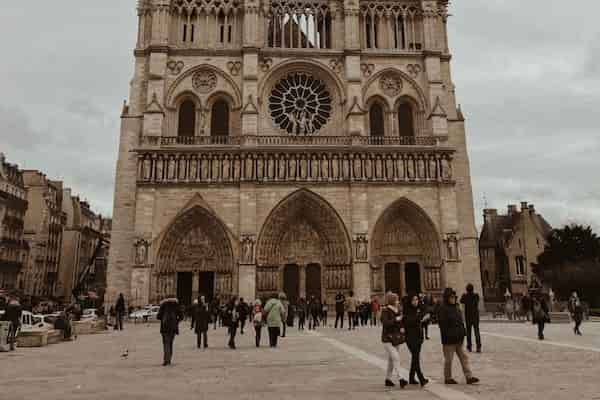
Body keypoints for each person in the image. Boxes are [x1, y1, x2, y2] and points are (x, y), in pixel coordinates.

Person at [438, 288, 479, 385]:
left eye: (454, 297)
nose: (453, 299)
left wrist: (463, 332)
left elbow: (460, 322)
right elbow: (442, 325)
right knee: (448, 360)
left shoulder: (456, 307)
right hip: (449, 340)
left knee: (464, 357)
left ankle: (469, 377)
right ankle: (448, 378)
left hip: (459, 338)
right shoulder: (443, 309)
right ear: (447, 298)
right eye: (451, 297)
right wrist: (448, 335)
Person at [380, 292, 408, 388]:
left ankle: (388, 379)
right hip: (387, 339)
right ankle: (401, 378)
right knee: (396, 357)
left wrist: (402, 327)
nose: (398, 301)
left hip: (396, 338)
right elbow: (385, 323)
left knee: (391, 360)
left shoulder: (398, 310)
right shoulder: (385, 311)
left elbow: (400, 323)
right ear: (392, 301)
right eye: (396, 299)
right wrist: (396, 319)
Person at [403, 293, 429, 387]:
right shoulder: (407, 310)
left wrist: (422, 316)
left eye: (417, 300)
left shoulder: (418, 310)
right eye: (413, 300)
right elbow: (410, 321)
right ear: (410, 301)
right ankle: (421, 378)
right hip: (410, 338)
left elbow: (426, 310)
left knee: (415, 358)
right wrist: (421, 318)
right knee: (415, 358)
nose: (415, 302)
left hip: (419, 337)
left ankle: (411, 378)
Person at [157, 296, 183, 366]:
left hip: (165, 327)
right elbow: (181, 316)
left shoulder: (163, 305)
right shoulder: (176, 305)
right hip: (173, 327)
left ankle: (166, 360)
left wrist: (162, 318)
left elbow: (158, 316)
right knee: (170, 343)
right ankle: (169, 359)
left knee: (166, 343)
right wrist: (176, 321)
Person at [460, 283, 481, 353]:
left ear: (467, 289)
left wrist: (464, 295)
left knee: (468, 332)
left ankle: (469, 347)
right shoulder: (476, 296)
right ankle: (478, 347)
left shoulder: (465, 296)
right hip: (475, 316)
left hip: (468, 316)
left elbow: (461, 301)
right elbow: (478, 300)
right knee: (476, 331)